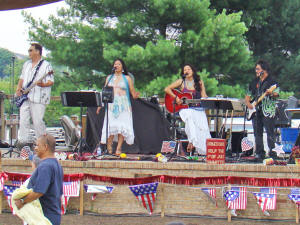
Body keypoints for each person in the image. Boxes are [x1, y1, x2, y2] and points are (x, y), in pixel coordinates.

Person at [15, 134, 64, 225]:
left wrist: (22, 201)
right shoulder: (57, 164)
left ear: (45, 147)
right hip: (53, 214)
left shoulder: (45, 166)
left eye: (37, 145)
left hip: (43, 216)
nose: (35, 148)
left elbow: (39, 191)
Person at [164, 63, 211, 155]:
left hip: (198, 108)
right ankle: (192, 140)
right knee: (189, 115)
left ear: (193, 71)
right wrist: (176, 98)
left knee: (203, 127)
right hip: (185, 109)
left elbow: (203, 95)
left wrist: (208, 99)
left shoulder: (199, 82)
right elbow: (167, 89)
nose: (187, 71)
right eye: (185, 70)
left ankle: (197, 146)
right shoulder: (181, 81)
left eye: (189, 69)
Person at [96, 59, 139, 155]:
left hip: (123, 105)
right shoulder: (109, 78)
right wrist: (100, 105)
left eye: (119, 64)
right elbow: (105, 92)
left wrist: (136, 95)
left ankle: (118, 148)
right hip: (111, 105)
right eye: (115, 64)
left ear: (122, 66)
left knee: (122, 127)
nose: (117, 65)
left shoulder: (127, 78)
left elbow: (132, 92)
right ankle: (109, 146)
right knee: (111, 127)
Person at [16, 43, 54, 145]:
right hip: (26, 96)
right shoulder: (27, 64)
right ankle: (23, 144)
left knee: (37, 122)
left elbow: (51, 81)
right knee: (23, 120)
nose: (29, 52)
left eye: (31, 50)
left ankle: (42, 145)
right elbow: (22, 78)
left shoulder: (46, 65)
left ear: (37, 51)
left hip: (39, 97)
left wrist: (42, 84)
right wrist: (18, 89)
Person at [246, 60, 279, 160]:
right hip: (256, 110)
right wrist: (248, 104)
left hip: (268, 110)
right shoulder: (254, 81)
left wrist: (271, 93)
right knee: (257, 132)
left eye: (258, 69)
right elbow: (248, 94)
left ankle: (273, 153)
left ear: (264, 70)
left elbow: (277, 94)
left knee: (270, 132)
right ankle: (260, 153)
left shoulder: (272, 82)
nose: (256, 71)